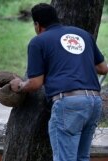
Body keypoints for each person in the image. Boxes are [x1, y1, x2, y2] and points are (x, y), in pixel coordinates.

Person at [9, 3, 108, 161]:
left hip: (69, 104)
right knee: (82, 157)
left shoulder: (38, 41)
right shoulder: (83, 35)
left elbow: (35, 83)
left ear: (37, 25)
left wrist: (19, 85)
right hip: (94, 102)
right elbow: (103, 68)